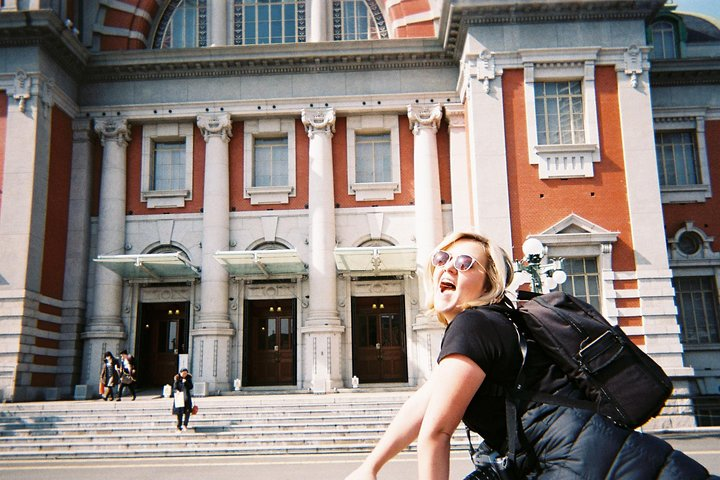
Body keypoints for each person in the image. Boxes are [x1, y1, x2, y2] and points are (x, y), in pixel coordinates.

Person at [345, 231, 716, 480]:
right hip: (591, 455)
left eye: (464, 263)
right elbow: (421, 405)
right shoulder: (492, 325)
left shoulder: (473, 326)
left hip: (581, 463)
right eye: (442, 258)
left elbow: (436, 433)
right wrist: (370, 466)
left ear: (489, 282)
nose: (448, 266)